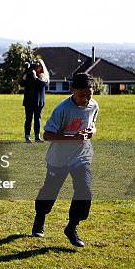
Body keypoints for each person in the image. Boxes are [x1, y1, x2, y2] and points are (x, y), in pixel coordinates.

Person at [31, 73, 98, 247]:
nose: (86, 99)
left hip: (81, 156)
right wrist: (72, 138)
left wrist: (90, 133)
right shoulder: (62, 109)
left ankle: (72, 226)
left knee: (85, 190)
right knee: (50, 191)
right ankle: (40, 218)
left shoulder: (93, 105)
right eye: (82, 95)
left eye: (89, 95)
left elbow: (93, 125)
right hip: (59, 158)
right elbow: (46, 135)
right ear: (72, 91)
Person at [20, 58, 49, 143]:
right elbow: (21, 83)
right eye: (36, 65)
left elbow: (43, 84)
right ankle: (27, 137)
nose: (37, 67)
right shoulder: (29, 74)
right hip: (29, 100)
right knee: (28, 119)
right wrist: (25, 72)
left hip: (39, 101)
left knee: (37, 119)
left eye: (39, 65)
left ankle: (37, 137)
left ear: (42, 66)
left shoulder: (44, 75)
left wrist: (35, 77)